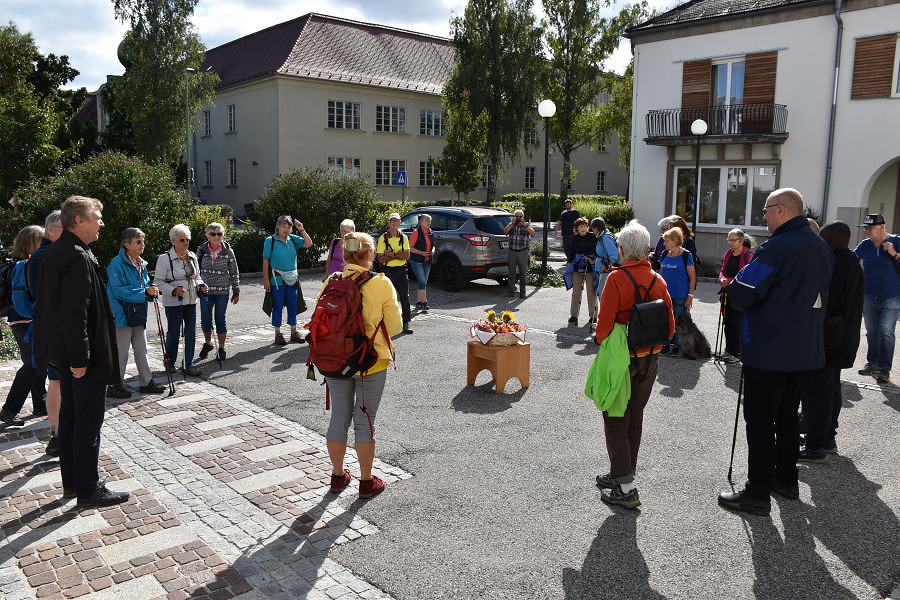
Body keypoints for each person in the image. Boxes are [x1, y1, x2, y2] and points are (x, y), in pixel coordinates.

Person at [718, 188, 832, 516]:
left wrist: (735, 286)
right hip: (802, 349)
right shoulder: (819, 245)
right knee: (786, 417)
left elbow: (742, 293)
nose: (763, 216)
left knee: (760, 421)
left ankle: (757, 492)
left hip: (770, 348)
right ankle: (786, 479)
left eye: (766, 210)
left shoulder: (777, 247)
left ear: (781, 210)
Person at [33, 195, 128, 507]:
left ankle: (73, 483)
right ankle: (88, 489)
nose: (102, 223)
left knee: (72, 418)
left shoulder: (58, 251)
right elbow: (74, 315)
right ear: (78, 220)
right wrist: (80, 359)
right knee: (86, 423)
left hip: (66, 353)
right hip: (81, 358)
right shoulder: (75, 256)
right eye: (96, 217)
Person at [594, 220, 675, 509]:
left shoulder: (616, 279)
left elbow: (603, 327)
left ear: (622, 250)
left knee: (616, 417)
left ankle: (626, 488)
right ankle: (623, 472)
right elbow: (669, 328)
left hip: (622, 358)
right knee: (634, 415)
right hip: (649, 358)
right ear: (647, 249)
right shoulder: (658, 279)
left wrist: (604, 339)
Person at [323, 232, 402, 499]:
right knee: (365, 419)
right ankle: (366, 481)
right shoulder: (381, 283)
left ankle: (338, 475)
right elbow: (395, 326)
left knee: (339, 416)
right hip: (371, 362)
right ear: (370, 253)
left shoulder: (333, 280)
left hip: (336, 360)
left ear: (345, 254)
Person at [799, 221, 864, 462]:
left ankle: (814, 445)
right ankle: (826, 438)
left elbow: (825, 304)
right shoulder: (851, 260)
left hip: (828, 339)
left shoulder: (834, 264)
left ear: (827, 240)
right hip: (842, 338)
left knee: (817, 392)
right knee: (830, 389)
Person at [105, 228, 166, 398]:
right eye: (138, 242)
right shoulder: (116, 264)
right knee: (122, 352)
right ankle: (115, 385)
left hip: (138, 313)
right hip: (122, 314)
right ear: (127, 244)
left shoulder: (141, 264)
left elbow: (143, 286)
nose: (142, 244)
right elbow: (119, 291)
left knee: (141, 349)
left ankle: (146, 382)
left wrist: (150, 292)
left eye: (143, 241)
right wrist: (145, 293)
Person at [0, 225, 47, 426]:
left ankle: (40, 403)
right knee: (31, 365)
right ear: (33, 242)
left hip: (19, 319)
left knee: (37, 362)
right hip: (26, 320)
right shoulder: (27, 264)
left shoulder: (15, 264)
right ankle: (9, 410)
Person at [30, 211, 63, 455]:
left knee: (57, 382)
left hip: (54, 328)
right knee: (57, 382)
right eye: (64, 228)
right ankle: (56, 434)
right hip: (54, 329)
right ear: (51, 230)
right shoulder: (45, 256)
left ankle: (58, 433)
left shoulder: (46, 254)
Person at [155, 224, 208, 377]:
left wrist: (201, 286)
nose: (186, 242)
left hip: (191, 301)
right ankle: (170, 362)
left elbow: (197, 277)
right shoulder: (164, 259)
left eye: (187, 240)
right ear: (173, 241)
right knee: (174, 332)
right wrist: (173, 290)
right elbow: (158, 282)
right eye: (182, 240)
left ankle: (188, 364)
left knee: (191, 333)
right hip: (174, 302)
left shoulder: (192, 256)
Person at [854, 213, 900, 384]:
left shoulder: (896, 241)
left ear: (882, 227)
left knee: (886, 331)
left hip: (892, 296)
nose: (867, 231)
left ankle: (884, 368)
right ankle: (872, 362)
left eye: (870, 228)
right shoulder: (865, 245)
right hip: (869, 294)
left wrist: (894, 254)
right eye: (865, 228)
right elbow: (851, 261)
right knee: (872, 331)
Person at [262, 215, 312, 345]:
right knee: (277, 307)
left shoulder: (293, 239)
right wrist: (266, 280)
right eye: (284, 226)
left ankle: (294, 332)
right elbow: (265, 261)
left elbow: (308, 244)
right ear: (278, 227)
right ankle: (278, 334)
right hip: (277, 281)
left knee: (292, 306)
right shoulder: (270, 241)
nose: (286, 229)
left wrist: (301, 229)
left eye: (289, 227)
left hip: (292, 280)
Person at [197, 222, 240, 361]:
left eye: (219, 234)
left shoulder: (228, 251)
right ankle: (208, 343)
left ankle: (221, 348)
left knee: (220, 319)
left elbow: (234, 272)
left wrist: (236, 291)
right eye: (213, 234)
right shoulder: (201, 250)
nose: (216, 236)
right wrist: (198, 286)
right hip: (206, 291)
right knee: (205, 319)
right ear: (208, 236)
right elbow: (196, 270)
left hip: (222, 291)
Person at [717, 229, 754, 363]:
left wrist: (730, 281)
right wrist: (721, 279)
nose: (730, 243)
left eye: (733, 240)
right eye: (729, 240)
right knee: (727, 322)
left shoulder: (748, 255)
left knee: (737, 322)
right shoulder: (729, 253)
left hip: (740, 294)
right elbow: (723, 270)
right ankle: (729, 349)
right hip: (727, 293)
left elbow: (748, 276)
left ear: (741, 240)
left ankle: (737, 352)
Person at [659, 227, 696, 355]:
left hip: (681, 295)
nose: (664, 243)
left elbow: (692, 277)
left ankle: (677, 346)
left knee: (679, 322)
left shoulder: (686, 255)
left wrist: (690, 295)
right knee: (664, 320)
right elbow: (661, 274)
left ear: (675, 241)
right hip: (665, 294)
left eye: (667, 241)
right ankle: (664, 345)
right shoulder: (664, 254)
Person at [376, 212, 412, 333]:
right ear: (388, 222)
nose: (394, 223)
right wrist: (398, 255)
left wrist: (391, 255)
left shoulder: (404, 237)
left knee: (405, 297)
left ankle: (406, 322)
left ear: (400, 222)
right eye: (392, 221)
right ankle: (384, 323)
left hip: (401, 270)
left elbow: (406, 256)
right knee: (387, 299)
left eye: (396, 221)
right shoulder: (383, 238)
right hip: (388, 271)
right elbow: (380, 259)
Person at [565, 217, 598, 325]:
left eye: (584, 226)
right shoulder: (574, 238)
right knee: (576, 292)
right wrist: (569, 263)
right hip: (577, 268)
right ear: (577, 229)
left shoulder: (592, 236)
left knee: (591, 292)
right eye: (581, 227)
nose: (583, 228)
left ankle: (593, 315)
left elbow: (597, 251)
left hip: (590, 268)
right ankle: (574, 315)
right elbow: (571, 252)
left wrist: (593, 260)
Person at [503, 210, 534, 299]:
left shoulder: (527, 225)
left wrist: (525, 225)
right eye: (517, 216)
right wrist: (512, 223)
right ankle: (510, 292)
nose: (519, 218)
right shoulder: (511, 225)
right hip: (512, 251)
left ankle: (523, 292)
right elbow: (505, 232)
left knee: (523, 273)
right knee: (511, 272)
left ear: (523, 217)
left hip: (523, 251)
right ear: (514, 217)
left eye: (520, 216)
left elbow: (533, 233)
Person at [409, 213, 434, 313]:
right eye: (426, 221)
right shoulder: (416, 232)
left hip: (427, 260)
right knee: (422, 281)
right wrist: (422, 253)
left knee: (423, 282)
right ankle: (425, 302)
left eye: (429, 221)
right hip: (417, 260)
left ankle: (419, 302)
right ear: (421, 222)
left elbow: (433, 244)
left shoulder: (431, 232)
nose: (429, 223)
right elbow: (410, 248)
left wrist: (433, 250)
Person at [591, 217, 619, 300]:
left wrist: (608, 266)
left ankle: (604, 308)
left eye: (593, 228)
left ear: (596, 228)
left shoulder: (606, 237)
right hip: (603, 268)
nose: (592, 231)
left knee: (602, 294)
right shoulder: (602, 236)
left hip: (606, 270)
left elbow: (613, 254)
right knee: (601, 293)